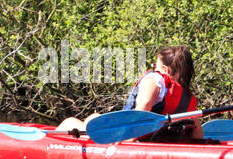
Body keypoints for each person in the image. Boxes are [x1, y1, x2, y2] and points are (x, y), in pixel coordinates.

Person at [57, 46, 202, 141]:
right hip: (156, 140)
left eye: (154, 65)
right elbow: (196, 131)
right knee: (93, 118)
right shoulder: (187, 96)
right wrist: (199, 147)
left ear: (165, 69)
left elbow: (142, 109)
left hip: (132, 138)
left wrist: (129, 142)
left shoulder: (154, 80)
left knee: (69, 122)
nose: (153, 68)